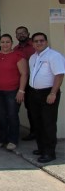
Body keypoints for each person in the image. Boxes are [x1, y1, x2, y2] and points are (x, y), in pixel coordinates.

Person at [28, 32, 65, 163]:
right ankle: (42, 148)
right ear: (32, 43)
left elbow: (59, 75)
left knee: (48, 123)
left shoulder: (54, 56)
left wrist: (53, 93)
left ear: (46, 42)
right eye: (36, 41)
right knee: (37, 122)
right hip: (34, 93)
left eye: (41, 40)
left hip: (48, 93)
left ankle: (50, 153)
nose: (39, 43)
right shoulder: (33, 57)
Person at [0, 34, 28, 151]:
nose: (5, 44)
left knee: (12, 115)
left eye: (7, 42)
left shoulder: (18, 55)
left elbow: (24, 74)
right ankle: (2, 139)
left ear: (12, 43)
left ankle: (13, 140)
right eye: (2, 42)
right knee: (0, 116)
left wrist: (21, 90)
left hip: (13, 91)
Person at [14, 26, 36, 141]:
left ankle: (36, 132)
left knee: (34, 109)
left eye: (23, 33)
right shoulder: (15, 49)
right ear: (16, 36)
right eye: (18, 33)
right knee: (27, 107)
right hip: (21, 83)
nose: (21, 35)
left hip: (34, 82)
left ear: (28, 33)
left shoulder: (35, 46)